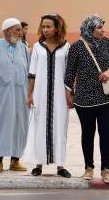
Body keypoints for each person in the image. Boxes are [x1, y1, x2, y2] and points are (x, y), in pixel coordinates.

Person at [64, 14, 109, 183]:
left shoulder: (106, 43)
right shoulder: (76, 47)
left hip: (106, 97)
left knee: (106, 133)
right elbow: (69, 73)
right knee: (87, 133)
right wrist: (69, 95)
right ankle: (89, 168)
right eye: (99, 27)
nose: (103, 30)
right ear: (90, 29)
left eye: (103, 27)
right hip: (84, 98)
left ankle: (106, 169)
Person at [22, 13, 72, 178]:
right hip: (40, 94)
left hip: (60, 96)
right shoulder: (37, 47)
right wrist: (29, 94)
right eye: (43, 27)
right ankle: (38, 164)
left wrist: (70, 95)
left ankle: (60, 166)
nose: (45, 30)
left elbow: (69, 75)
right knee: (39, 127)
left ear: (57, 28)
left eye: (48, 26)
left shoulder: (66, 47)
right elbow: (32, 73)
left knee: (60, 127)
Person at [0, 18, 30, 173]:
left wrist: (30, 94)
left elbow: (29, 73)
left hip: (20, 96)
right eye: (17, 30)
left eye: (21, 30)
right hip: (0, 96)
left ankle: (15, 160)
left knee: (19, 127)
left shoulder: (23, 48)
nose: (21, 33)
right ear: (7, 31)